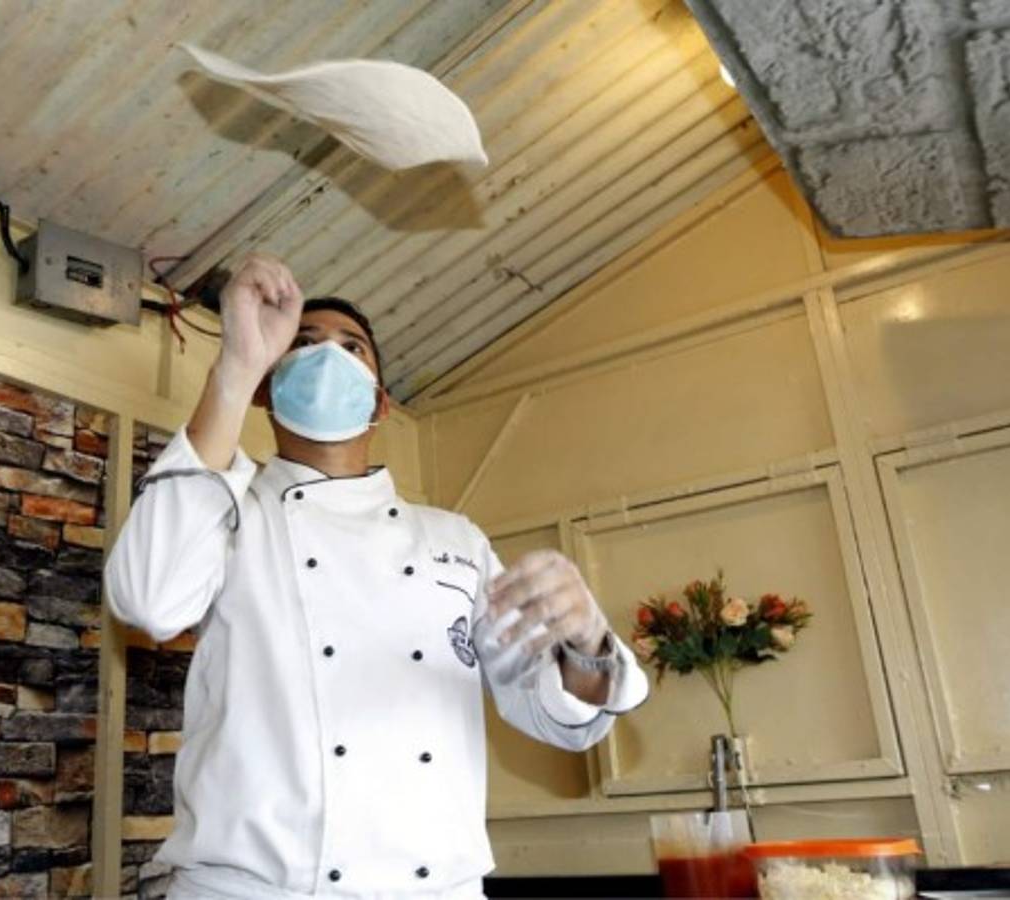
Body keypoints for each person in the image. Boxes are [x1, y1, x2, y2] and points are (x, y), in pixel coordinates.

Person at [105, 254, 649, 900]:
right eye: (302, 344)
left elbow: (555, 716)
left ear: (380, 403)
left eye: (351, 347)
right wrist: (235, 367)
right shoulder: (229, 513)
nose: (326, 357)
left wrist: (586, 645)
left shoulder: (455, 542)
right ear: (266, 388)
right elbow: (148, 598)